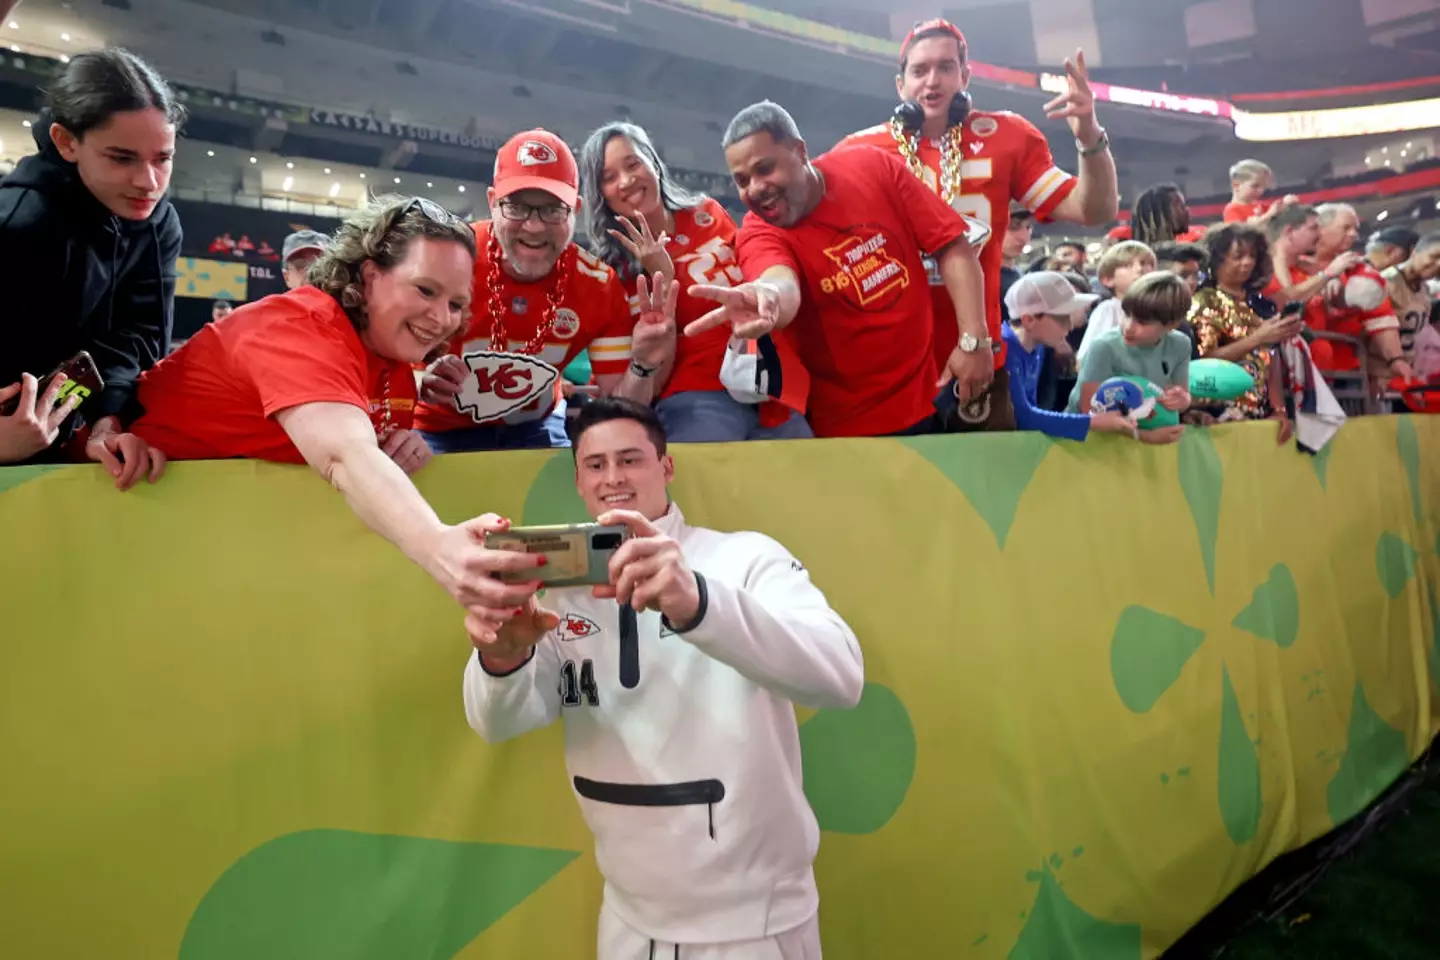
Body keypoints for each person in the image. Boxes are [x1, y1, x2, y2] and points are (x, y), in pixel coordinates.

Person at [462, 397, 862, 960]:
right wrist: (501, 658)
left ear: (666, 467)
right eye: (595, 464)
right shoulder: (557, 594)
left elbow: (841, 675)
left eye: (631, 459)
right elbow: (497, 724)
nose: (614, 478)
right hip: (627, 919)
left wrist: (695, 600)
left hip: (755, 926)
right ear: (577, 479)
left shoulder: (743, 560)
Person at [130, 196, 543, 617]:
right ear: (369, 276)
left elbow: (363, 460)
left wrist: (404, 446)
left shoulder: (395, 366)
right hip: (126, 520)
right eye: (425, 289)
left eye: (455, 304)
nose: (441, 318)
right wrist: (441, 547)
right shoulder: (300, 325)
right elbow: (345, 456)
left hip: (227, 560)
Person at [837, 18, 1118, 431]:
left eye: (946, 67)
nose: (932, 80)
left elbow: (1094, 210)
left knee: (986, 491)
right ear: (900, 85)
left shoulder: (1007, 136)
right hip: (888, 367)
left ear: (965, 76)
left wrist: (1089, 136)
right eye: (919, 70)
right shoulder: (859, 150)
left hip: (980, 359)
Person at [691, 100, 988, 438]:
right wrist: (767, 295)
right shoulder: (759, 232)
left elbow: (952, 246)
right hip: (847, 429)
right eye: (742, 180)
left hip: (936, 393)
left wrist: (974, 340)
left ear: (800, 151)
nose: (755, 188)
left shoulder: (871, 166)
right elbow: (779, 281)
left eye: (765, 169)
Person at [415, 129, 675, 452]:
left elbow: (622, 407)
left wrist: (643, 364)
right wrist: (415, 381)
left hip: (535, 426)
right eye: (517, 207)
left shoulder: (598, 285)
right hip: (437, 429)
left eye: (553, 209)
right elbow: (378, 354)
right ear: (492, 202)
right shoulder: (445, 256)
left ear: (575, 209)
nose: (534, 227)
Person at [0, 47, 176, 485]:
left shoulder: (158, 221)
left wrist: (107, 421)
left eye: (163, 158)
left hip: (60, 449)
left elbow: (134, 339)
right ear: (66, 142)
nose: (148, 182)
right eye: (122, 157)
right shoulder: (16, 225)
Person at [579, 121, 809, 442]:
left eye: (633, 164)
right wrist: (664, 277)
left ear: (653, 163)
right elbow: (652, 379)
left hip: (770, 384)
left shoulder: (708, 212)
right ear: (600, 194)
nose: (627, 180)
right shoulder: (615, 275)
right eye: (609, 177)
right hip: (699, 399)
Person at [990, 272, 1136, 441]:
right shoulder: (1003, 350)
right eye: (1061, 318)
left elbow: (1031, 408)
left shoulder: (1038, 348)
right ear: (1029, 320)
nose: (1070, 325)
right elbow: (1024, 417)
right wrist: (1092, 422)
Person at [1188, 223, 1295, 442]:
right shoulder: (1204, 301)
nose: (1247, 262)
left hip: (1261, 412)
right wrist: (1257, 339)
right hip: (1220, 415)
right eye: (1237, 256)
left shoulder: (1261, 305)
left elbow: (1271, 357)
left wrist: (1279, 410)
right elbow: (1204, 361)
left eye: (1252, 255)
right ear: (1216, 260)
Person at [1067, 271, 1192, 444]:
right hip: (1087, 442)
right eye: (1126, 314)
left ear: (1172, 324)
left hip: (1133, 437)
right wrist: (1143, 437)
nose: (1128, 327)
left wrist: (1182, 400)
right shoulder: (1104, 347)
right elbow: (1088, 413)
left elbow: (1181, 397)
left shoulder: (1180, 345)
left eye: (1142, 322)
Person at [1075, 240, 1156, 362]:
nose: (1139, 269)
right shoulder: (1109, 310)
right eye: (1128, 265)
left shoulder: (1159, 311)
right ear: (1108, 279)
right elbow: (1087, 358)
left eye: (1144, 263)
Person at [1379, 231, 1440, 386]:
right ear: (1414, 252)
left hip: (1409, 374)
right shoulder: (1384, 281)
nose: (1438, 264)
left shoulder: (1425, 291)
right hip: (1380, 371)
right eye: (1435, 256)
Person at [1222, 160, 1299, 227]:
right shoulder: (1231, 210)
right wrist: (1268, 215)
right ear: (1236, 185)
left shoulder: (1260, 206)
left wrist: (1286, 203)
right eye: (1255, 186)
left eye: (1263, 187)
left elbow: (1278, 210)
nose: (1261, 191)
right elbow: (1239, 233)